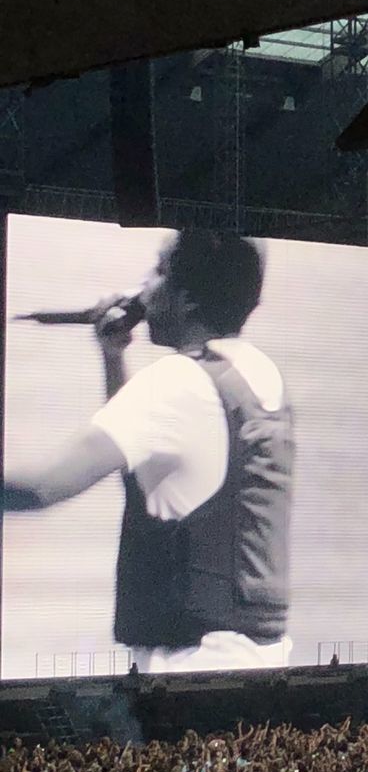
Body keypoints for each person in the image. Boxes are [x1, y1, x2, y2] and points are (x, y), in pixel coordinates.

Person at [4, 229, 294, 673]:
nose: (141, 288)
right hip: (253, 661)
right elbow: (153, 471)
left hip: (188, 668)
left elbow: (43, 487)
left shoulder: (174, 383)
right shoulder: (256, 376)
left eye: (158, 271)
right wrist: (112, 357)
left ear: (189, 298)